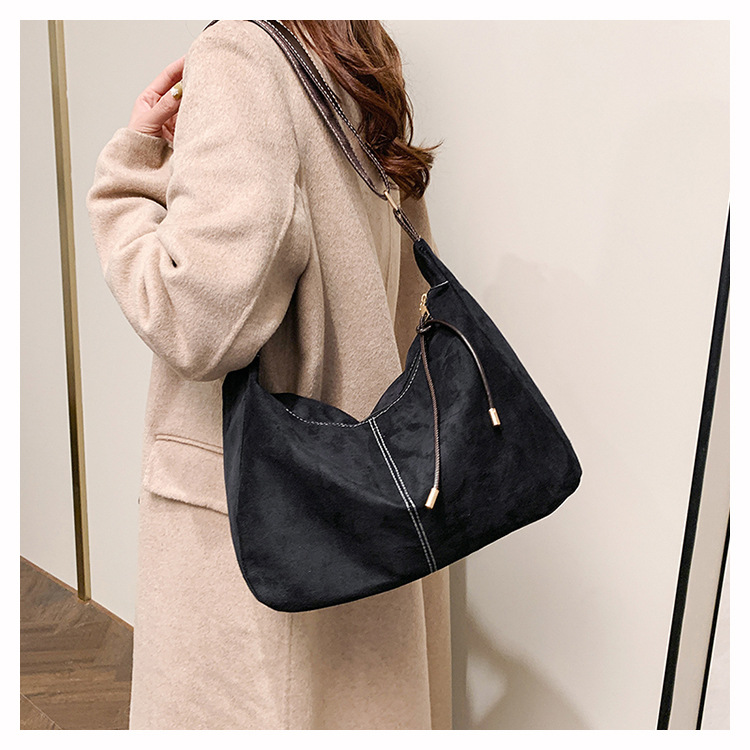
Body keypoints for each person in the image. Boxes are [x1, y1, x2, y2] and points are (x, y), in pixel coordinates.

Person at [86, 19, 451, 730]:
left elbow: (194, 322)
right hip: (369, 496)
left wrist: (130, 174)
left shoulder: (242, 55)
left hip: (261, 528)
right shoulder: (356, 56)